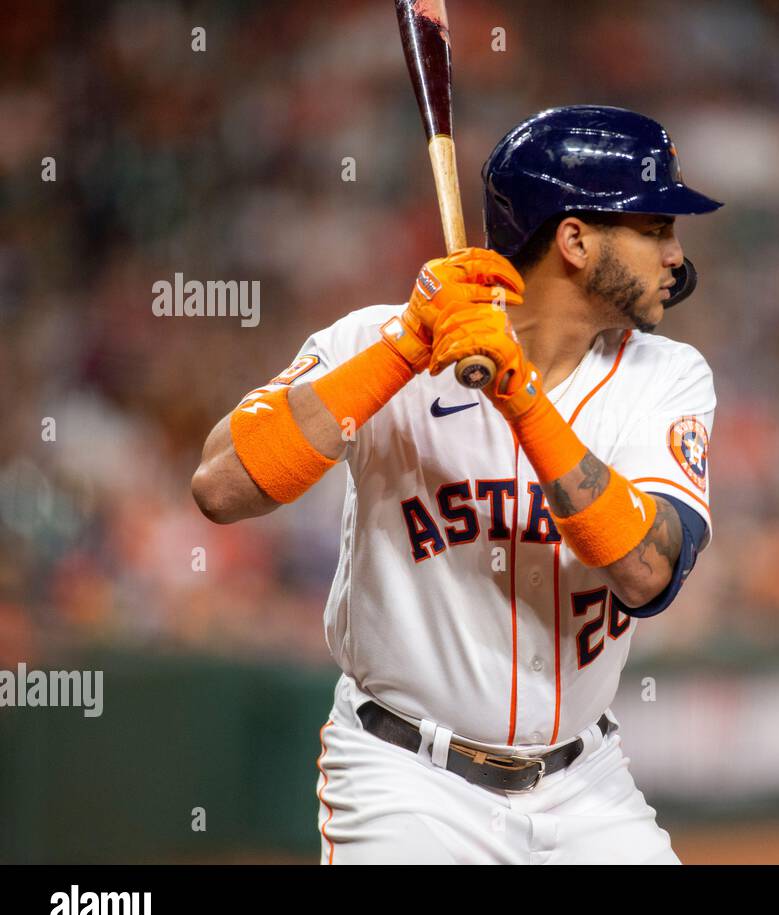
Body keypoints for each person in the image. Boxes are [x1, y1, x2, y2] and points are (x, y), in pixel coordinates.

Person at [191, 105, 722, 863]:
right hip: (408, 780)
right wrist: (405, 348)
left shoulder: (667, 376)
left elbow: (647, 572)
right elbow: (221, 485)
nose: (676, 254)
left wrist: (518, 394)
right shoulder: (380, 342)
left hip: (585, 785)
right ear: (575, 239)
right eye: (656, 227)